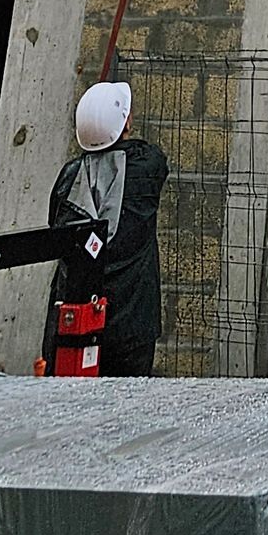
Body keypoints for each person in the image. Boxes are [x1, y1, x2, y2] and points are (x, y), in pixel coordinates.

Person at [46, 81, 168, 376]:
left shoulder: (69, 177)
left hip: (74, 321)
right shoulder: (146, 167)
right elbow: (150, 154)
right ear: (125, 124)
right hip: (132, 325)